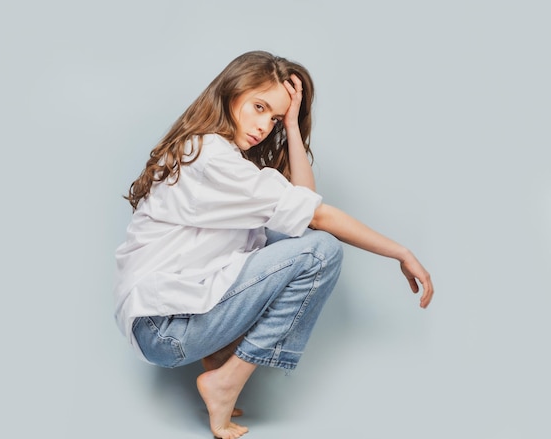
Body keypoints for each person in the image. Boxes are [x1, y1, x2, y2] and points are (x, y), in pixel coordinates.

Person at [114, 50, 434, 439]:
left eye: (275, 118)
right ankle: (226, 379)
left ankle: (218, 359)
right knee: (321, 251)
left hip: (160, 324)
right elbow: (315, 215)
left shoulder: (211, 151)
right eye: (259, 106)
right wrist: (401, 251)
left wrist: (293, 126)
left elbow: (302, 203)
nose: (264, 125)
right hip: (164, 328)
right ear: (231, 93)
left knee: (292, 235)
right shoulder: (212, 158)